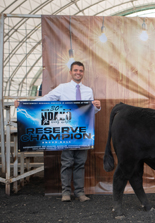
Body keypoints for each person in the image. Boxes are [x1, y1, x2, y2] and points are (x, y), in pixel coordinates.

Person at [15, 61, 101, 202]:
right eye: (76, 70)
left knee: (80, 162)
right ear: (70, 72)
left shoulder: (88, 90)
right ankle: (65, 193)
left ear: (83, 73)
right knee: (67, 162)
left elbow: (90, 112)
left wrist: (97, 107)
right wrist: (24, 104)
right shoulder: (62, 88)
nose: (78, 73)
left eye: (80, 70)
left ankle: (80, 193)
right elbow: (46, 100)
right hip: (66, 133)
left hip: (82, 133)